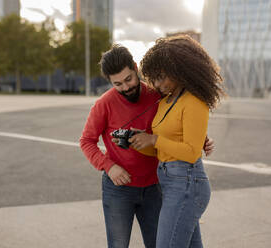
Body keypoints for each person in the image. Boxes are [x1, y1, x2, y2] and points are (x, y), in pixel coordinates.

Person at [79, 44, 215, 248]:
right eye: (118, 84)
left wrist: (200, 137)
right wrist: (109, 166)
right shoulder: (103, 104)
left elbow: (176, 119)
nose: (126, 87)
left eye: (128, 79)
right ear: (110, 82)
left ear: (135, 68)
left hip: (155, 186)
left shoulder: (157, 92)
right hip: (118, 189)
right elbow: (86, 142)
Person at [128, 35, 225, 248]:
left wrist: (154, 138)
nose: (157, 84)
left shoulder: (194, 102)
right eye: (154, 77)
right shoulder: (166, 102)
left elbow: (191, 152)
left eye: (162, 77)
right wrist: (138, 142)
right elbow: (162, 150)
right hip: (171, 182)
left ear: (181, 69)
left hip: (187, 184)